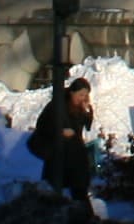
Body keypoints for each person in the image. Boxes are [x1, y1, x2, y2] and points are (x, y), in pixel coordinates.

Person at [33, 74, 98, 213]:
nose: (83, 99)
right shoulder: (58, 105)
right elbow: (43, 126)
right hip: (60, 154)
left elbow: (85, 126)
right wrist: (60, 132)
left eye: (85, 95)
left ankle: (83, 215)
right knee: (58, 188)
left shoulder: (79, 107)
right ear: (72, 92)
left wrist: (87, 112)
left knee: (78, 188)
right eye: (80, 95)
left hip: (74, 155)